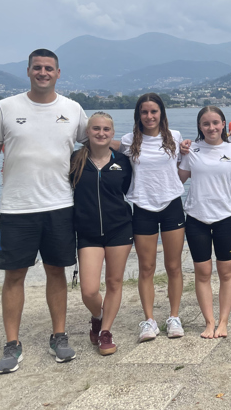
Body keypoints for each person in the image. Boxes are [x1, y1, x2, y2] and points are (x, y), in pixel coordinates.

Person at [0, 48, 87, 374]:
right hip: (17, 207)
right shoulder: (6, 108)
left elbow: (96, 140)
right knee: (14, 275)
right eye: (37, 68)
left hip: (60, 205)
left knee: (56, 271)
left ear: (58, 73)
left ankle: (59, 336)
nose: (43, 73)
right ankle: (12, 343)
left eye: (49, 68)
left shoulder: (72, 109)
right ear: (28, 71)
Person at [119, 93, 187, 343]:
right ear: (138, 115)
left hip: (171, 205)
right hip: (143, 208)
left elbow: (189, 160)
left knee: (173, 265)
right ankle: (149, 320)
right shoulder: (129, 141)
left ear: (162, 114)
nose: (149, 116)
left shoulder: (175, 137)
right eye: (144, 112)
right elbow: (98, 142)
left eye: (154, 112)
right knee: (146, 267)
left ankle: (174, 316)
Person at [70, 111, 133, 356]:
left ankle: (105, 331)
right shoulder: (75, 160)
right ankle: (97, 315)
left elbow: (129, 190)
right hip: (88, 233)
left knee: (114, 282)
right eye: (96, 128)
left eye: (106, 129)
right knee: (89, 289)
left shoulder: (123, 161)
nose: (101, 133)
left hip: (119, 228)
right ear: (87, 132)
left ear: (112, 133)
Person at [179, 106, 231, 338]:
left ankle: (223, 321)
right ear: (199, 127)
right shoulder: (190, 150)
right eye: (206, 124)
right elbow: (177, 180)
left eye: (216, 122)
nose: (211, 127)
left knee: (226, 271)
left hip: (225, 217)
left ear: (224, 124)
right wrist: (176, 151)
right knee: (202, 271)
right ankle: (209, 321)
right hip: (197, 217)